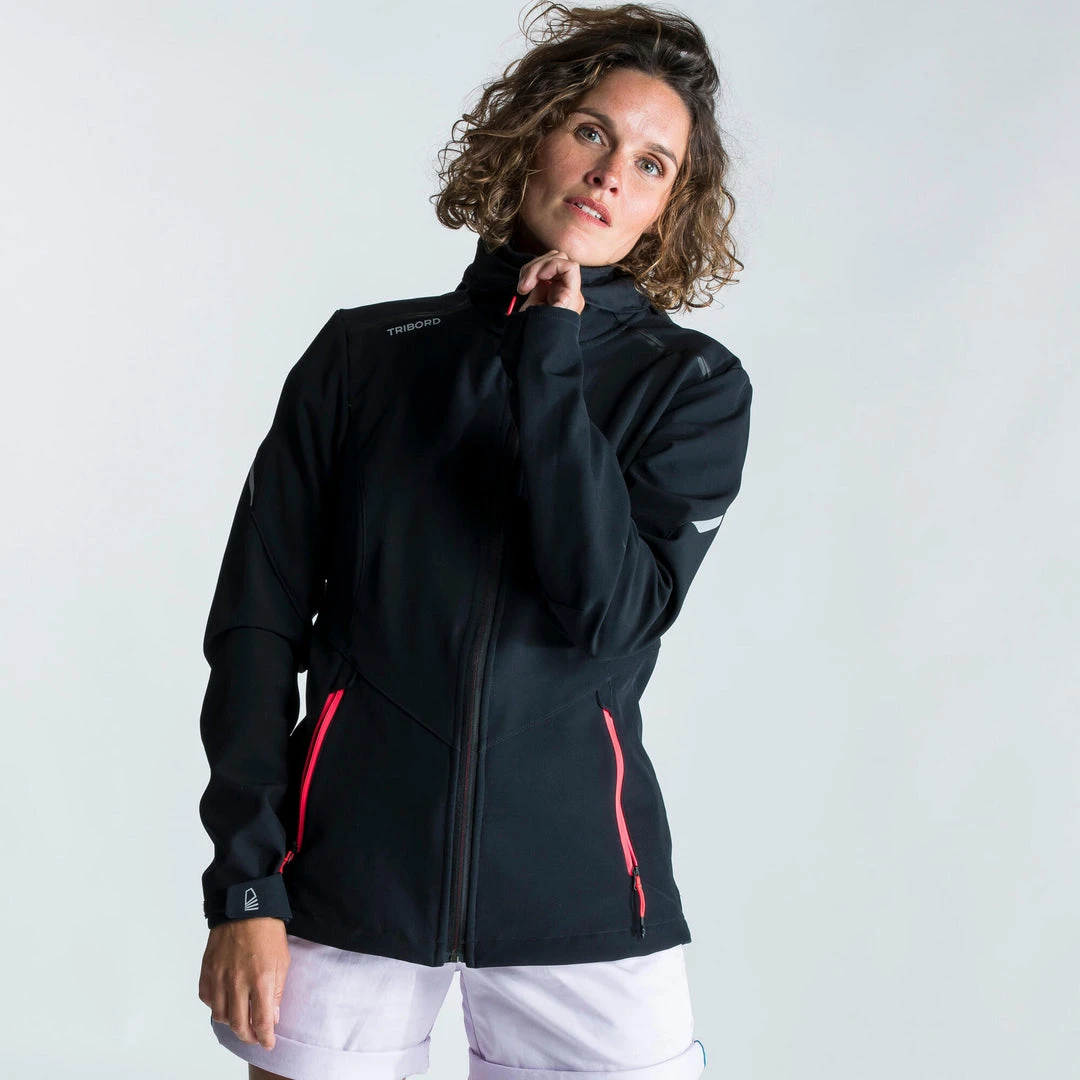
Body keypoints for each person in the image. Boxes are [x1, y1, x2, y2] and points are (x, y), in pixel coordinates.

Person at [196, 3, 752, 1079]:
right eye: (590, 131)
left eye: (651, 165)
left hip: (584, 892)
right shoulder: (364, 357)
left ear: (667, 210)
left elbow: (608, 611)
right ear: (531, 134)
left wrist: (550, 358)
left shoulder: (692, 387)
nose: (610, 175)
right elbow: (256, 628)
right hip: (341, 878)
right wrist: (246, 884)